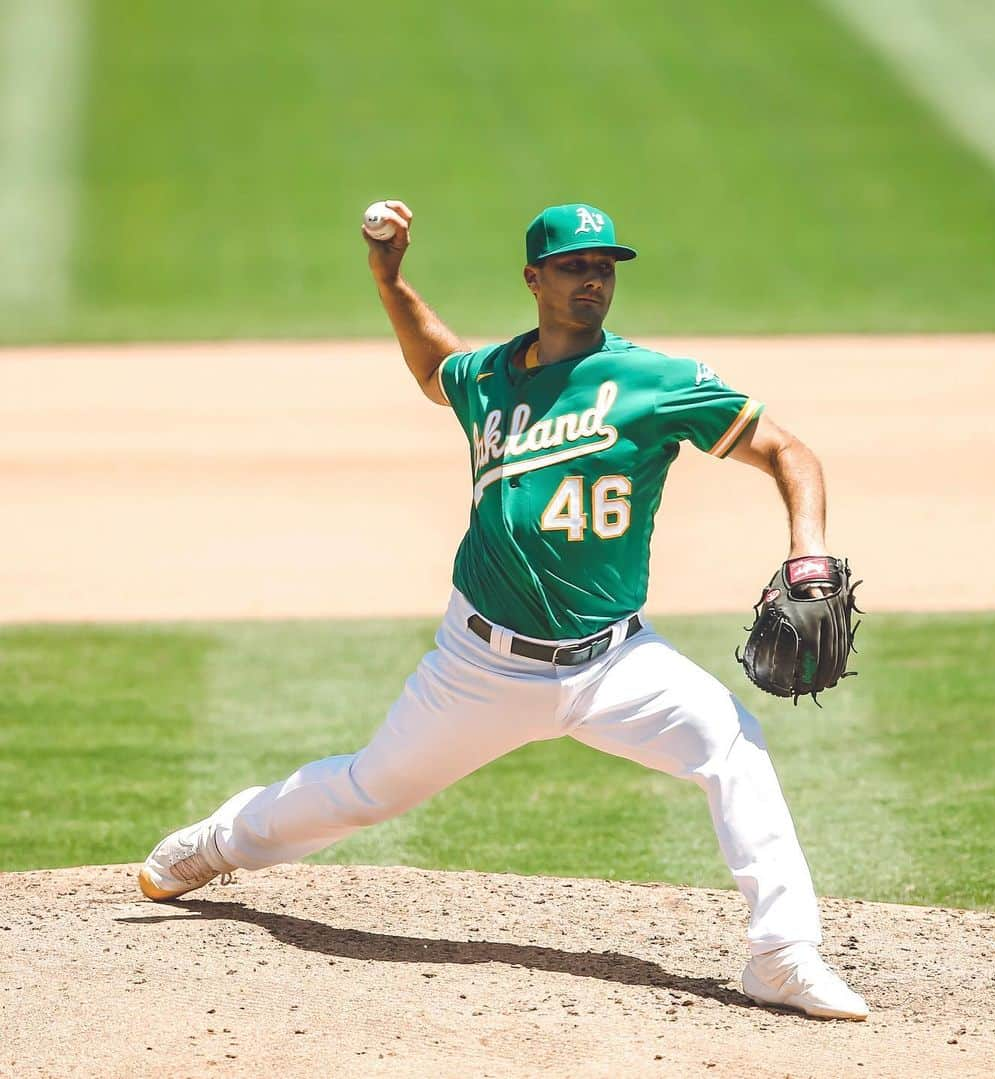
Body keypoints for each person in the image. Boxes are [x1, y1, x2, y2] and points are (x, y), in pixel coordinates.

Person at [138, 201, 869, 1021]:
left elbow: (786, 449)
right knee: (364, 789)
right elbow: (433, 366)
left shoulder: (657, 382)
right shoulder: (487, 378)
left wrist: (808, 552)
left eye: (606, 265)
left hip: (615, 660)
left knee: (730, 742)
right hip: (481, 664)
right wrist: (390, 280)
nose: (595, 278)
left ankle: (781, 954)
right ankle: (224, 840)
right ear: (534, 278)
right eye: (575, 265)